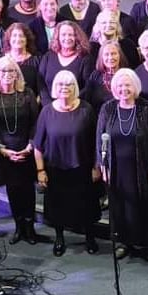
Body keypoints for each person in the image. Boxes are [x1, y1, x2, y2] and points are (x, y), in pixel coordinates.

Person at [96, 69, 148, 261]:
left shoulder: (146, 108)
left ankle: (147, 243)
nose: (124, 89)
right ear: (114, 88)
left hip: (142, 168)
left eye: (128, 85)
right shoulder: (108, 108)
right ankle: (123, 242)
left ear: (135, 87)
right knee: (119, 206)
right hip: (116, 169)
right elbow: (100, 139)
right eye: (120, 85)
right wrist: (102, 165)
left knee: (144, 205)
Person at [34, 70, 100, 257]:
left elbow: (95, 141)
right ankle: (59, 238)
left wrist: (96, 166)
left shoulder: (86, 109)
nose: (65, 88)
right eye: (61, 85)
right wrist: (40, 170)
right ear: (55, 88)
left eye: (69, 85)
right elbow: (38, 145)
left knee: (86, 205)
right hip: (55, 168)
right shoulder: (47, 111)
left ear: (75, 88)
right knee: (57, 207)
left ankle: (90, 237)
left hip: (82, 166)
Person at [0, 56, 39, 244]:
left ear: (17, 73)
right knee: (13, 191)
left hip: (27, 150)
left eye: (11, 71)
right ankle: (19, 226)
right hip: (4, 153)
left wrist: (30, 146)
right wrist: (3, 150)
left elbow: (35, 123)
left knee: (28, 191)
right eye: (3, 71)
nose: (7, 75)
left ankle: (30, 228)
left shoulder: (27, 93)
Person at [38, 21, 93, 105]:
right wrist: (48, 104)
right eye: (63, 35)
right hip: (49, 107)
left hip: (75, 106)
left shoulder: (85, 59)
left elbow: (87, 87)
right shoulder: (48, 56)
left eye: (70, 35)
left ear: (76, 37)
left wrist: (68, 103)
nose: (67, 38)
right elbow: (40, 82)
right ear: (58, 37)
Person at [84, 40, 128, 113]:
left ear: (120, 55)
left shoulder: (127, 75)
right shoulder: (95, 76)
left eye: (114, 54)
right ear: (101, 57)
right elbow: (88, 101)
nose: (110, 57)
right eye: (106, 54)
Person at [0, 23, 41, 97]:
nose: (18, 39)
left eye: (21, 36)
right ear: (9, 39)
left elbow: (41, 88)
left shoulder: (37, 60)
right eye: (14, 36)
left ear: (27, 39)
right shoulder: (0, 60)